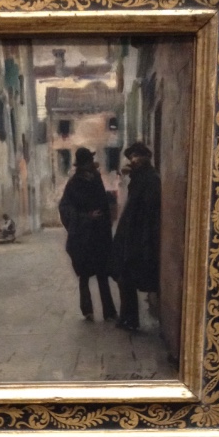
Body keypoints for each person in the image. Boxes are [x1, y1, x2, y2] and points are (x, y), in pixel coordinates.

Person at [58, 147, 118, 322]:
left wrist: (106, 224)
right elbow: (65, 208)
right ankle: (87, 311)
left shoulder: (97, 179)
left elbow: (104, 205)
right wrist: (86, 217)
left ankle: (109, 311)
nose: (93, 164)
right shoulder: (73, 184)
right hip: (82, 238)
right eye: (90, 161)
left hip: (99, 235)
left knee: (102, 273)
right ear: (84, 164)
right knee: (84, 276)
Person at [111, 141, 161, 331]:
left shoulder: (151, 178)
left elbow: (148, 210)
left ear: (145, 157)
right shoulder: (139, 177)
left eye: (136, 156)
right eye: (131, 157)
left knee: (128, 277)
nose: (133, 160)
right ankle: (127, 317)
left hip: (139, 236)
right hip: (130, 234)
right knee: (124, 277)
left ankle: (130, 319)